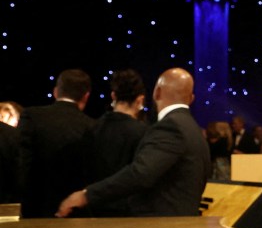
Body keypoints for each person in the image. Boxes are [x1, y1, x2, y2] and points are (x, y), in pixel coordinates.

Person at [56, 68, 212, 218]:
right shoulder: (194, 130)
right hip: (182, 223)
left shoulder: (170, 126)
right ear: (191, 98)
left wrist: (86, 195)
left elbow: (141, 174)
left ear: (156, 93)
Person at [16, 69, 95, 218]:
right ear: (86, 96)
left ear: (56, 92)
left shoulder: (32, 117)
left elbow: (23, 166)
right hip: (75, 215)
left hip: (35, 210)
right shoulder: (92, 126)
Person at [86, 69, 148, 216]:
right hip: (128, 213)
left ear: (113, 95)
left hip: (93, 209)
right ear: (140, 99)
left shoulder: (92, 128)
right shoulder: (144, 132)